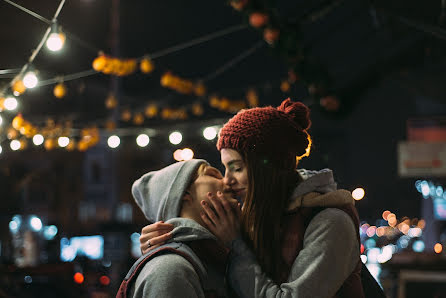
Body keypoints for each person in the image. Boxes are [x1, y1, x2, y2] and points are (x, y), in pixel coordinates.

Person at [140, 98, 365, 298]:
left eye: (236, 168)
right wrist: (168, 235)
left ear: (266, 168)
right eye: (224, 169)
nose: (227, 180)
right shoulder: (252, 217)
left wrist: (236, 244)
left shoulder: (330, 222)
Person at [117, 159, 239, 298]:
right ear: (184, 192)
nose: (227, 181)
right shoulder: (170, 268)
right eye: (213, 175)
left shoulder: (214, 257)